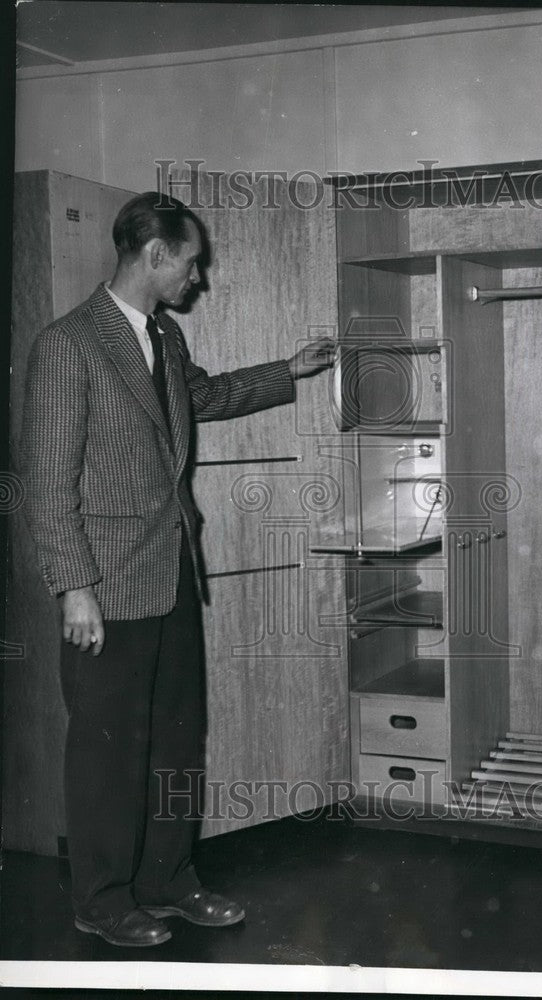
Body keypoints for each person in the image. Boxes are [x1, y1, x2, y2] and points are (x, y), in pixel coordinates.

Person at [21, 191, 333, 948]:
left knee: (175, 742)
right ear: (154, 255)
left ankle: (167, 880)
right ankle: (100, 897)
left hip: (171, 580)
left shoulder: (164, 337)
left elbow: (204, 399)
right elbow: (47, 482)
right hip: (106, 589)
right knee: (107, 753)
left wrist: (285, 371)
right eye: (191, 263)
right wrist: (75, 588)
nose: (199, 278)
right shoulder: (69, 345)